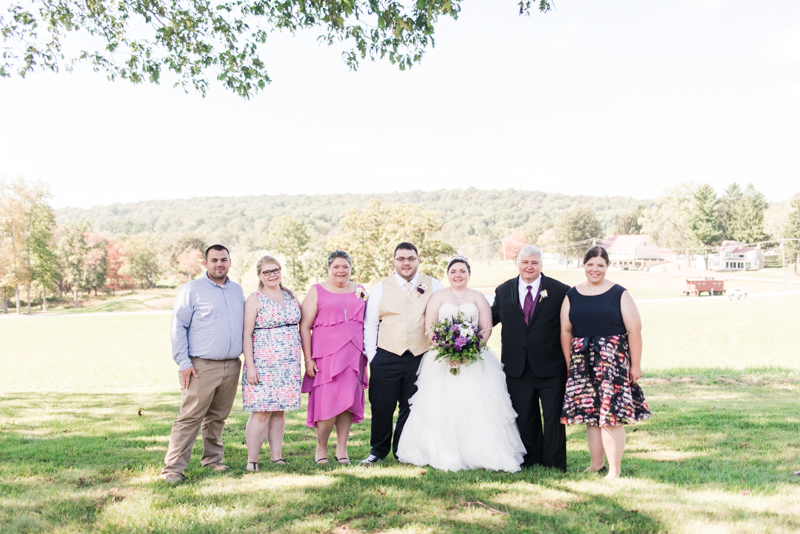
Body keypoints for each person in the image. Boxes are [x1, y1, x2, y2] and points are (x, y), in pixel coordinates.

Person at [397, 257, 526, 472]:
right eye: (454, 271)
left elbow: (486, 328)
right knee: (441, 404)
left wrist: (470, 351)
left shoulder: (478, 297)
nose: (458, 275)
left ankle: (479, 451)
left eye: (462, 271)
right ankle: (439, 450)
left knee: (477, 405)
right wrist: (447, 351)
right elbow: (429, 327)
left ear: (469, 274)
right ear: (448, 274)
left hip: (475, 359)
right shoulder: (438, 296)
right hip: (442, 359)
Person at [560, 246, 651, 479]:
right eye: (590, 264)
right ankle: (596, 465)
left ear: (607, 266)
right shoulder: (572, 295)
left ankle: (615, 470)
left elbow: (634, 331)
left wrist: (636, 365)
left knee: (610, 417)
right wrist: (571, 364)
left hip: (613, 364)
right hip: (582, 364)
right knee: (591, 416)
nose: (595, 269)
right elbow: (565, 331)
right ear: (584, 265)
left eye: (600, 265)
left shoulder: (619, 294)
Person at [161, 245, 245, 484]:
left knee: (217, 417)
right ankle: (173, 470)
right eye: (215, 260)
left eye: (224, 259)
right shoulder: (193, 290)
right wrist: (184, 362)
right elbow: (178, 325)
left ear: (230, 262)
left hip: (231, 365)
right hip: (201, 366)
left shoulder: (236, 290)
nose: (220, 264)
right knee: (189, 418)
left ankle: (213, 460)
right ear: (206, 263)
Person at [360, 242, 444, 465]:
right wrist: (372, 355)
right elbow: (370, 324)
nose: (406, 263)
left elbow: (442, 317)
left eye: (410, 258)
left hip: (420, 354)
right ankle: (377, 451)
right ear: (394, 261)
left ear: (418, 260)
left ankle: (402, 451)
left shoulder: (434, 284)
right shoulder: (380, 287)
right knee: (381, 405)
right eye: (401, 258)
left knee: (412, 406)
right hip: (386, 355)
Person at [491, 245, 570, 472]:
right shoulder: (504, 290)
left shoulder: (559, 290)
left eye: (534, 263)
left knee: (554, 416)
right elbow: (491, 318)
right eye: (525, 262)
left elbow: (571, 323)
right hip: (517, 366)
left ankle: (554, 462)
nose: (529, 267)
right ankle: (531, 458)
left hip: (551, 365)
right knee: (525, 416)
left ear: (541, 265)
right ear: (518, 264)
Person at [300, 250, 368, 465]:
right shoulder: (316, 291)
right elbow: (305, 326)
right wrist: (308, 359)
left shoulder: (361, 290)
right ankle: (321, 448)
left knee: (348, 403)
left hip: (353, 356)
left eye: (345, 266)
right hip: (326, 358)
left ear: (351, 268)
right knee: (327, 403)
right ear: (328, 269)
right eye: (336, 267)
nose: (341, 270)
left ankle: (342, 450)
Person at [241, 255, 302, 471]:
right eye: (267, 272)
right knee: (261, 411)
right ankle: (252, 460)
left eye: (275, 270)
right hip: (263, 363)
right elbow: (246, 334)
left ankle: (277, 456)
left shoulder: (291, 295)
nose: (272, 275)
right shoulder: (255, 299)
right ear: (259, 275)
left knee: (279, 410)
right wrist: (251, 366)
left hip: (289, 364)